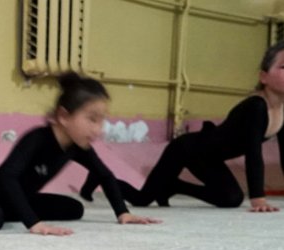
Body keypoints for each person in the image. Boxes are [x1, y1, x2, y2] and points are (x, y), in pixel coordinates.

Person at [0, 73, 162, 235]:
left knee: (74, 209)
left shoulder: (76, 145)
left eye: (102, 120)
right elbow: (8, 178)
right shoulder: (37, 138)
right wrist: (34, 223)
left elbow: (105, 176)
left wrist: (122, 213)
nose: (99, 129)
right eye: (92, 119)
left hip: (20, 201)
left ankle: (16, 213)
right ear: (64, 116)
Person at [79, 41, 284, 213]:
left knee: (231, 198)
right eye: (283, 67)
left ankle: (173, 185)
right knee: (142, 199)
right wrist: (258, 198)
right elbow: (253, 154)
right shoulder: (256, 106)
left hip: (210, 156)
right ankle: (100, 177)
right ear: (263, 76)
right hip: (187, 148)